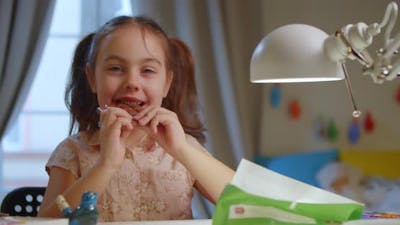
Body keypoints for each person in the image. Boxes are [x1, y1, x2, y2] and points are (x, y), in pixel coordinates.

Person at [38, 16, 235, 221]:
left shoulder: (183, 147)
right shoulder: (73, 151)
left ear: (167, 83)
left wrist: (181, 149)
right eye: (115, 68)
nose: (132, 82)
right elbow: (47, 221)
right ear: (92, 78)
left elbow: (252, 203)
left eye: (148, 70)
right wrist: (107, 163)